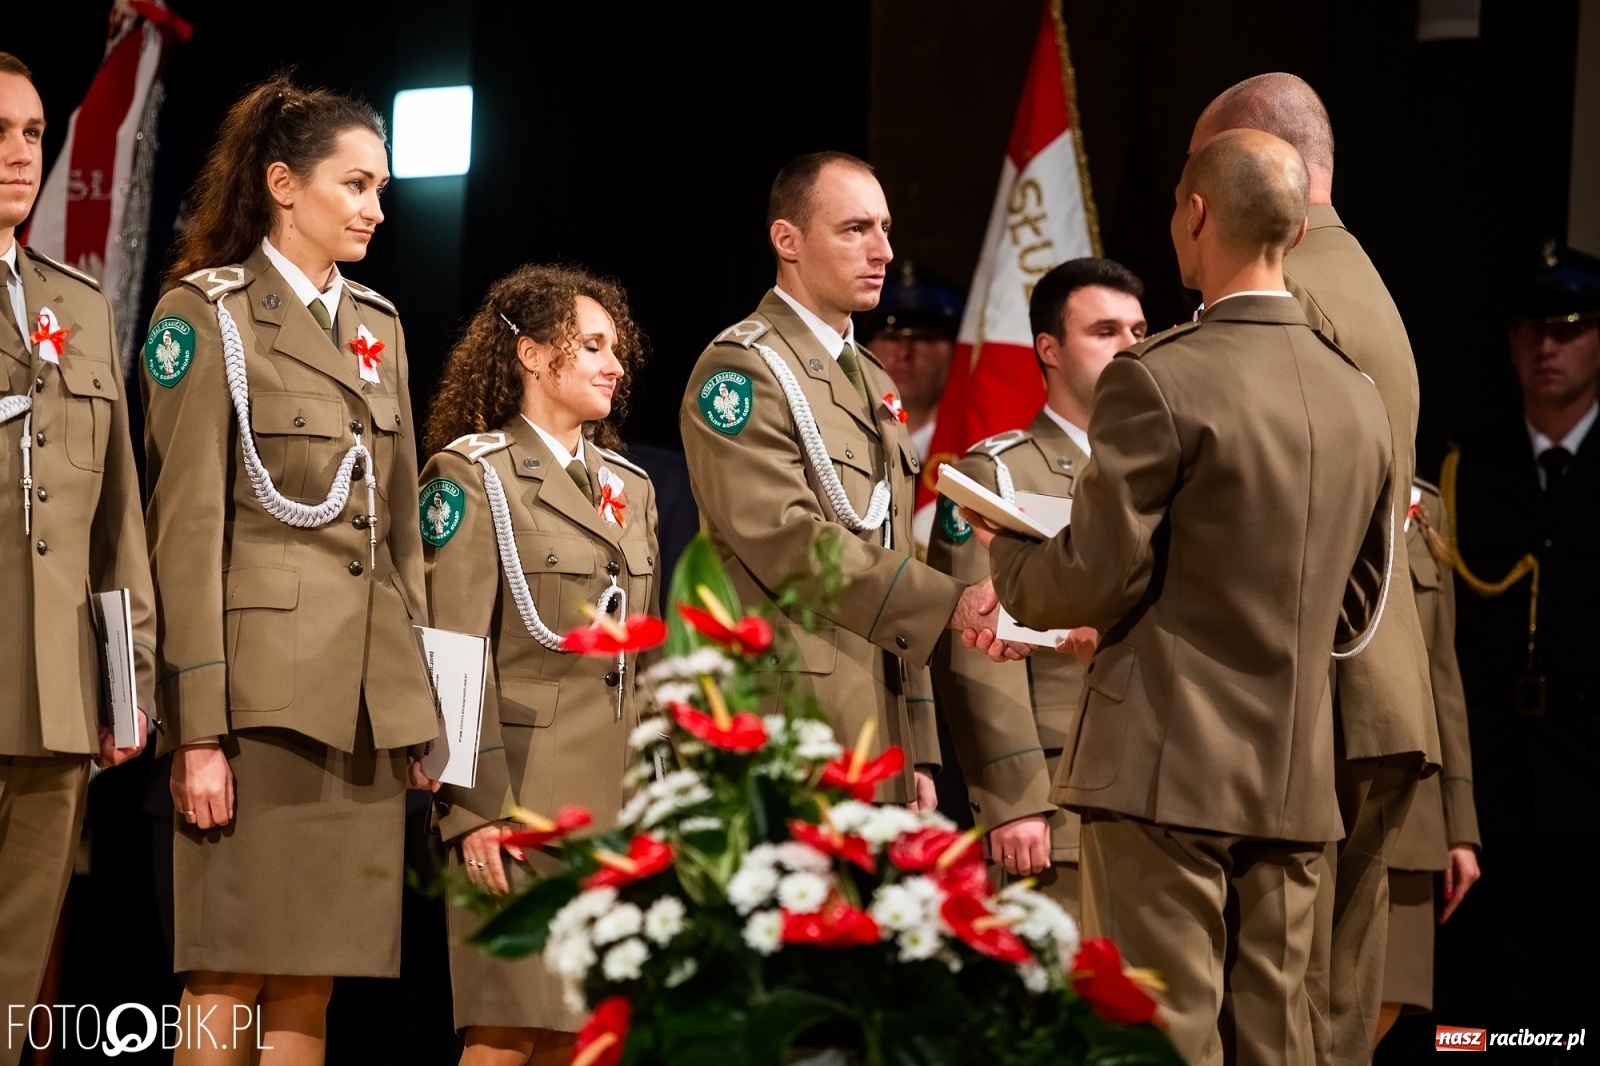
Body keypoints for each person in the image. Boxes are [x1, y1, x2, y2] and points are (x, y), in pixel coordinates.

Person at [970, 130, 1393, 1066]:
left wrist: (1006, 564)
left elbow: (1091, 575)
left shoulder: (1161, 377)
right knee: (1276, 1047)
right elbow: (1362, 608)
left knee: (1161, 1042)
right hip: (1295, 777)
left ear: (1196, 214)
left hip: (1162, 768)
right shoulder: (1359, 396)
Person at [142, 74, 439, 1065]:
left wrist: (419, 708)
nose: (375, 209)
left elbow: (396, 543)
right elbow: (182, 533)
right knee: (228, 968)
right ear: (282, 183)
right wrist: (197, 730)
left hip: (358, 706)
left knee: (313, 978)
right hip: (259, 702)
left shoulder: (379, 326)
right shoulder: (208, 313)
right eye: (354, 185)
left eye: (381, 189)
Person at [1189, 73, 1438, 1066]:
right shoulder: (1356, 276)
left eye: (1197, 175)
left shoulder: (1283, 295)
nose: (1190, 208)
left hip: (1307, 693)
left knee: (1274, 1010)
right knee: (1325, 1011)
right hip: (1371, 685)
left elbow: (1260, 519)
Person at [677, 151, 1017, 810]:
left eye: (885, 228)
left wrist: (918, 747)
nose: (884, 250)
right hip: (790, 725)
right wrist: (951, 602)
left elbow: (891, 546)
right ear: (788, 240)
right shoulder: (742, 372)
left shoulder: (872, 378)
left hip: (878, 734)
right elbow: (789, 543)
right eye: (856, 229)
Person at [419, 265, 658, 1066]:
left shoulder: (632, 487)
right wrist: (473, 807)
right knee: (505, 1031)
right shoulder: (473, 475)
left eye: (614, 349)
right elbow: (451, 651)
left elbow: (642, 659)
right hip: (520, 802)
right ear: (530, 355)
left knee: (588, 1040)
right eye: (590, 346)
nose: (613, 365)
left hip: (616, 809)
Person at [0, 53, 154, 1066]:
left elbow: (117, 525)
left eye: (31, 133)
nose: (19, 155)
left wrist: (124, 681)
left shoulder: (77, 306)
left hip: (53, 697)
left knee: (13, 988)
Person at [928, 257, 1146, 916]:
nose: (1130, 347)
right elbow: (976, 641)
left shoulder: (1171, 470)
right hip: (1062, 797)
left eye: (1139, 331)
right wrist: (1016, 796)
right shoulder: (998, 474)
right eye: (1105, 331)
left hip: (1173, 788)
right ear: (1048, 349)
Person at [1441, 245, 1600, 1036]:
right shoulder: (1469, 468)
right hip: (1493, 800)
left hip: (1595, 795)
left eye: (1569, 329)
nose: (1548, 347)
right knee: (1484, 1026)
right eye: (1533, 330)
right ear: (1509, 344)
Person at [1373, 479, 1480, 1047]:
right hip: (1321, 788)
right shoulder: (1315, 462)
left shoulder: (1426, 506)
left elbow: (1443, 673)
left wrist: (1459, 826)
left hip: (1411, 799)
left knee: (1389, 994)